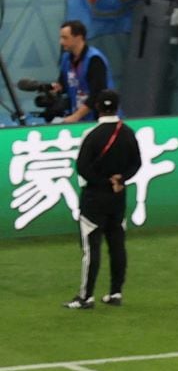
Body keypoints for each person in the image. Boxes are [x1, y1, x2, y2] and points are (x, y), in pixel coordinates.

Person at [64, 90, 141, 310]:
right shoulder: (127, 133)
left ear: (97, 107)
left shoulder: (91, 134)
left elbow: (83, 167)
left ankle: (86, 296)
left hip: (95, 198)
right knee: (117, 246)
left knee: (91, 248)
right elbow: (136, 163)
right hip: (118, 197)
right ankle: (115, 292)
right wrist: (120, 179)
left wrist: (103, 181)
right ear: (117, 107)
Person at [52, 21, 110, 123]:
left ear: (78, 37)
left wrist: (75, 117)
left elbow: (97, 94)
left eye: (65, 38)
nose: (61, 42)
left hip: (98, 118)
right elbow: (64, 84)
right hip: (78, 117)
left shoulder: (94, 59)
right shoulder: (66, 59)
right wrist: (56, 89)